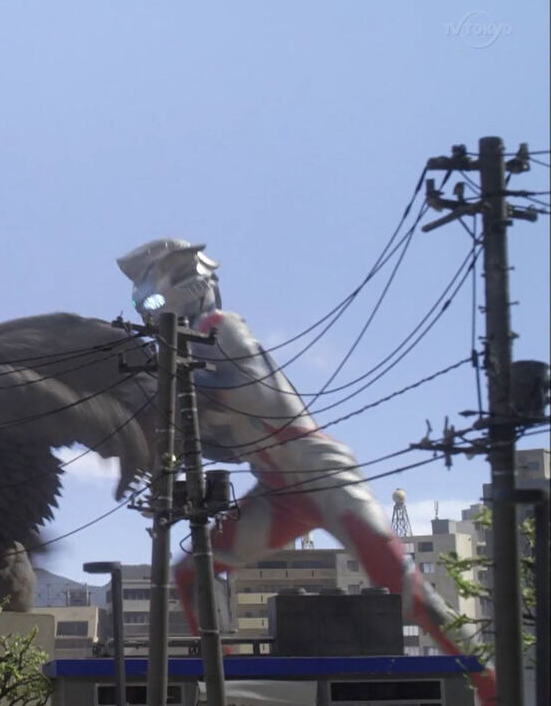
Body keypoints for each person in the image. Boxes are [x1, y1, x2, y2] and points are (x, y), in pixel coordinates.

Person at [116, 238, 495, 705]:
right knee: (192, 573)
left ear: (184, 285)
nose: (148, 311)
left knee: (405, 588)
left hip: (322, 472)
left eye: (151, 297)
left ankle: (491, 686)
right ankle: (224, 682)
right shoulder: (189, 353)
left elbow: (247, 392)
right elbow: (222, 438)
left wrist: (172, 386)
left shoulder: (220, 328)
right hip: (278, 489)